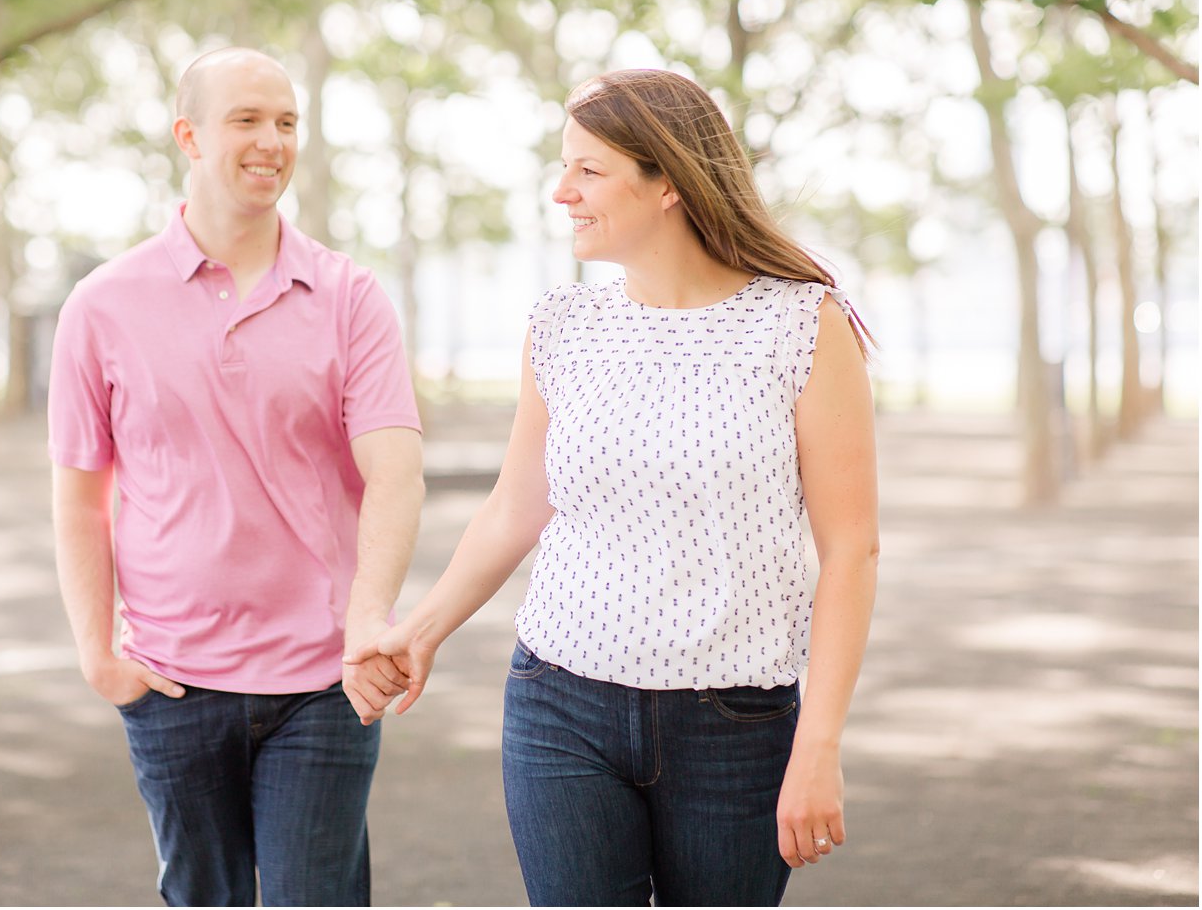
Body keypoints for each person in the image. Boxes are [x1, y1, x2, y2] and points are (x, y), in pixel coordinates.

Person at [349, 68, 879, 906]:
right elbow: (515, 507)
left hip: (735, 724)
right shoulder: (562, 325)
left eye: (588, 171)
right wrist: (421, 629)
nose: (562, 192)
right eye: (564, 168)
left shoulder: (802, 322)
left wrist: (819, 743)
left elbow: (851, 548)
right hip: (560, 703)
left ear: (666, 180)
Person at [48, 47, 423, 907]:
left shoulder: (349, 295)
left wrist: (368, 618)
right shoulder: (102, 305)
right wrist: (97, 654)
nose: (272, 141)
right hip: (173, 679)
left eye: (287, 122)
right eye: (247, 119)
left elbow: (396, 474)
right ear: (188, 134)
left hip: (322, 681)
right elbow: (79, 496)